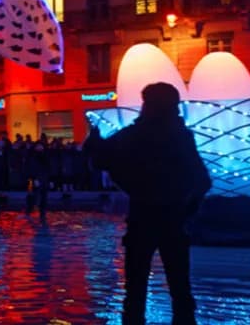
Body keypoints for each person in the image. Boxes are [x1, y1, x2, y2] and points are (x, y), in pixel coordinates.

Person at [84, 82, 211, 325]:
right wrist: (188, 209)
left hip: (142, 218)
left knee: (135, 289)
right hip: (174, 220)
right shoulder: (181, 137)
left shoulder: (133, 136)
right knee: (180, 287)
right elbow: (202, 180)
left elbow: (102, 159)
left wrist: (95, 142)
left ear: (148, 105)